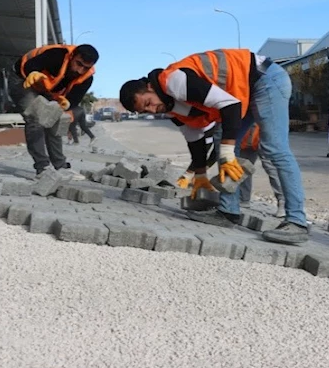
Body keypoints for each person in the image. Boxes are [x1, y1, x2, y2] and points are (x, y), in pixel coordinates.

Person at [119, 48, 308, 245]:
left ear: (150, 87)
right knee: (221, 142)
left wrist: (227, 150)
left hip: (265, 79)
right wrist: (200, 174)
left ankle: (297, 221)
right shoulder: (172, 107)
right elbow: (196, 139)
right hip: (244, 91)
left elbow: (230, 105)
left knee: (274, 149)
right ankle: (228, 212)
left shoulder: (174, 81)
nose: (152, 109)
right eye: (145, 110)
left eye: (148, 102)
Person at [10, 44, 99, 177]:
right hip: (21, 79)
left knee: (57, 119)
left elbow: (73, 99)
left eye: (85, 68)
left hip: (44, 89)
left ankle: (60, 166)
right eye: (78, 64)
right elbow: (31, 64)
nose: (80, 70)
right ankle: (43, 167)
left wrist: (66, 103)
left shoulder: (87, 78)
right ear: (72, 56)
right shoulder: (57, 54)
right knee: (35, 118)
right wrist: (34, 71)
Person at [234, 123, 285, 217]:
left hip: (265, 131)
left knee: (271, 168)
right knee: (244, 166)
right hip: (248, 130)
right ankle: (243, 198)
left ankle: (283, 202)